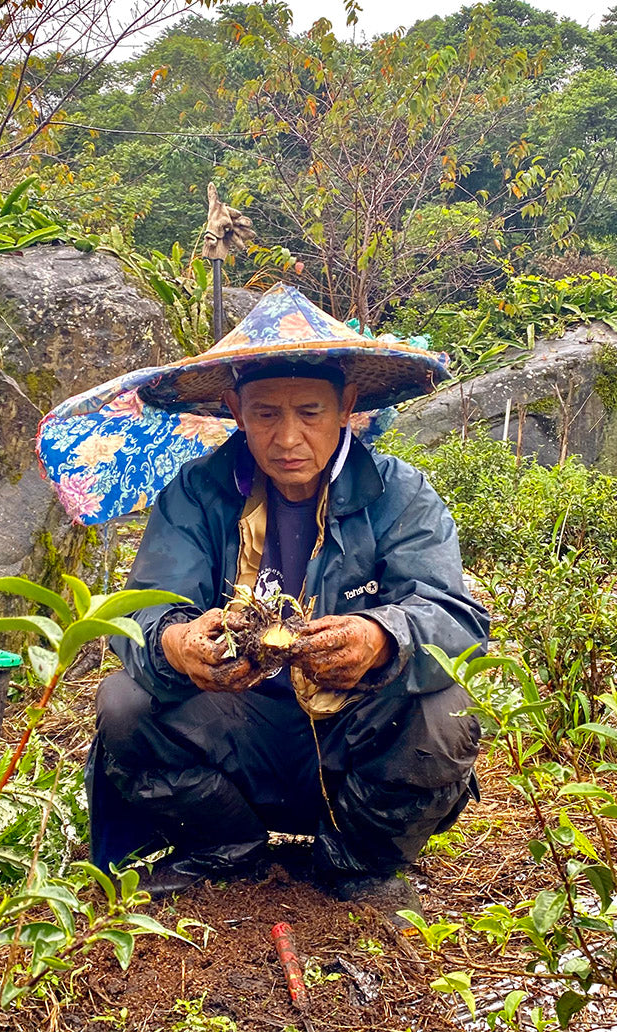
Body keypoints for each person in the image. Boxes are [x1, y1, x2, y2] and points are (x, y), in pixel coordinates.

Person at [82, 305, 490, 913]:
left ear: (347, 403)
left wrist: (380, 638)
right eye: (266, 414)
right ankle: (227, 845)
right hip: (236, 730)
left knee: (443, 715)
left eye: (310, 413)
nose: (288, 438)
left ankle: (358, 859)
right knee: (124, 703)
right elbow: (141, 614)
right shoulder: (197, 493)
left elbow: (453, 618)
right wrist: (178, 643)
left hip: (351, 736)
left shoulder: (401, 494)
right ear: (237, 411)